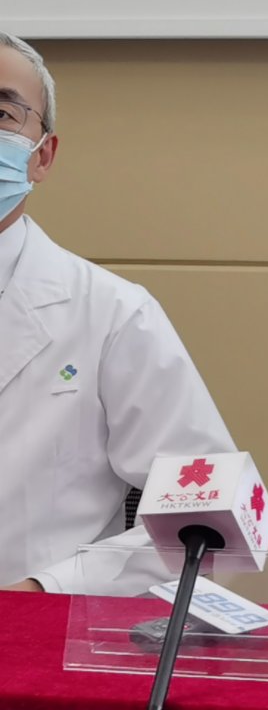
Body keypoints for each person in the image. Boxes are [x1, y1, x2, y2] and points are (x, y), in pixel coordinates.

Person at [0, 32, 236, 594]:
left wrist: (43, 592)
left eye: (2, 113)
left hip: (37, 631)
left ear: (42, 156)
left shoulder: (113, 315)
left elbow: (207, 517)